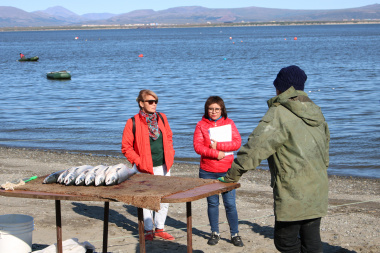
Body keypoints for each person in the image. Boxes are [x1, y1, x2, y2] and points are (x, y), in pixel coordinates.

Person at [219, 65, 330, 252]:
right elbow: (325, 151)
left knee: (284, 241)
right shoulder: (316, 112)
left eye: (276, 87)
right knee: (311, 240)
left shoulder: (279, 113)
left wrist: (232, 176)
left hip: (293, 191)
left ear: (282, 89)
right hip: (318, 186)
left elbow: (254, 150)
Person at [121, 89, 176, 241]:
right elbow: (126, 147)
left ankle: (159, 228)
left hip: (164, 166)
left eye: (155, 101)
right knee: (146, 200)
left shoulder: (162, 118)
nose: (154, 104)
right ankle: (148, 231)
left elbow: (169, 136)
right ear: (141, 103)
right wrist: (138, 162)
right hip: (143, 168)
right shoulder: (132, 122)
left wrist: (171, 152)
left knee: (163, 198)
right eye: (150, 102)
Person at [193, 96, 244, 247]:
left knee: (230, 204)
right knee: (212, 203)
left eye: (217, 109)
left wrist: (219, 146)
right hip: (207, 171)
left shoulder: (229, 123)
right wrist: (215, 153)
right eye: (210, 109)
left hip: (227, 171)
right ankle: (215, 232)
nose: (213, 112)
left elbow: (237, 143)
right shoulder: (201, 124)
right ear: (206, 109)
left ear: (222, 109)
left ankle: (235, 234)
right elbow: (197, 147)